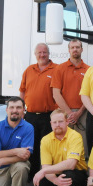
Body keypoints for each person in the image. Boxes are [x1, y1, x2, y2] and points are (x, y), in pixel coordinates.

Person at [22, 109, 88, 186]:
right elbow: (46, 166)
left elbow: (71, 164)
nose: (57, 125)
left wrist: (44, 171)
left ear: (67, 122)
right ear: (51, 124)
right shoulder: (46, 140)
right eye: (55, 122)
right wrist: (54, 181)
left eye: (60, 121)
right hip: (55, 174)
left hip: (78, 174)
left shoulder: (75, 136)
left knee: (68, 176)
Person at [19, 42, 58, 178]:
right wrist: (21, 110)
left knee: (47, 148)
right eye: (39, 52)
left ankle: (46, 177)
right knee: (31, 147)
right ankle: (31, 176)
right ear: (35, 54)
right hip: (30, 116)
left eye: (44, 52)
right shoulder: (29, 70)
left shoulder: (57, 69)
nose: (42, 55)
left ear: (48, 54)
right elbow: (22, 91)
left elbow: (61, 93)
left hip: (48, 117)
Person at [51, 38, 90, 156]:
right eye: (72, 47)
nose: (75, 50)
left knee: (82, 146)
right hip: (63, 113)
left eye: (77, 47)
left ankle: (82, 172)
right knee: (63, 145)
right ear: (68, 50)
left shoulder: (89, 70)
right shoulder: (60, 69)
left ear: (82, 49)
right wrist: (69, 113)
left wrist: (78, 113)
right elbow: (56, 93)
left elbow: (90, 95)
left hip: (82, 113)